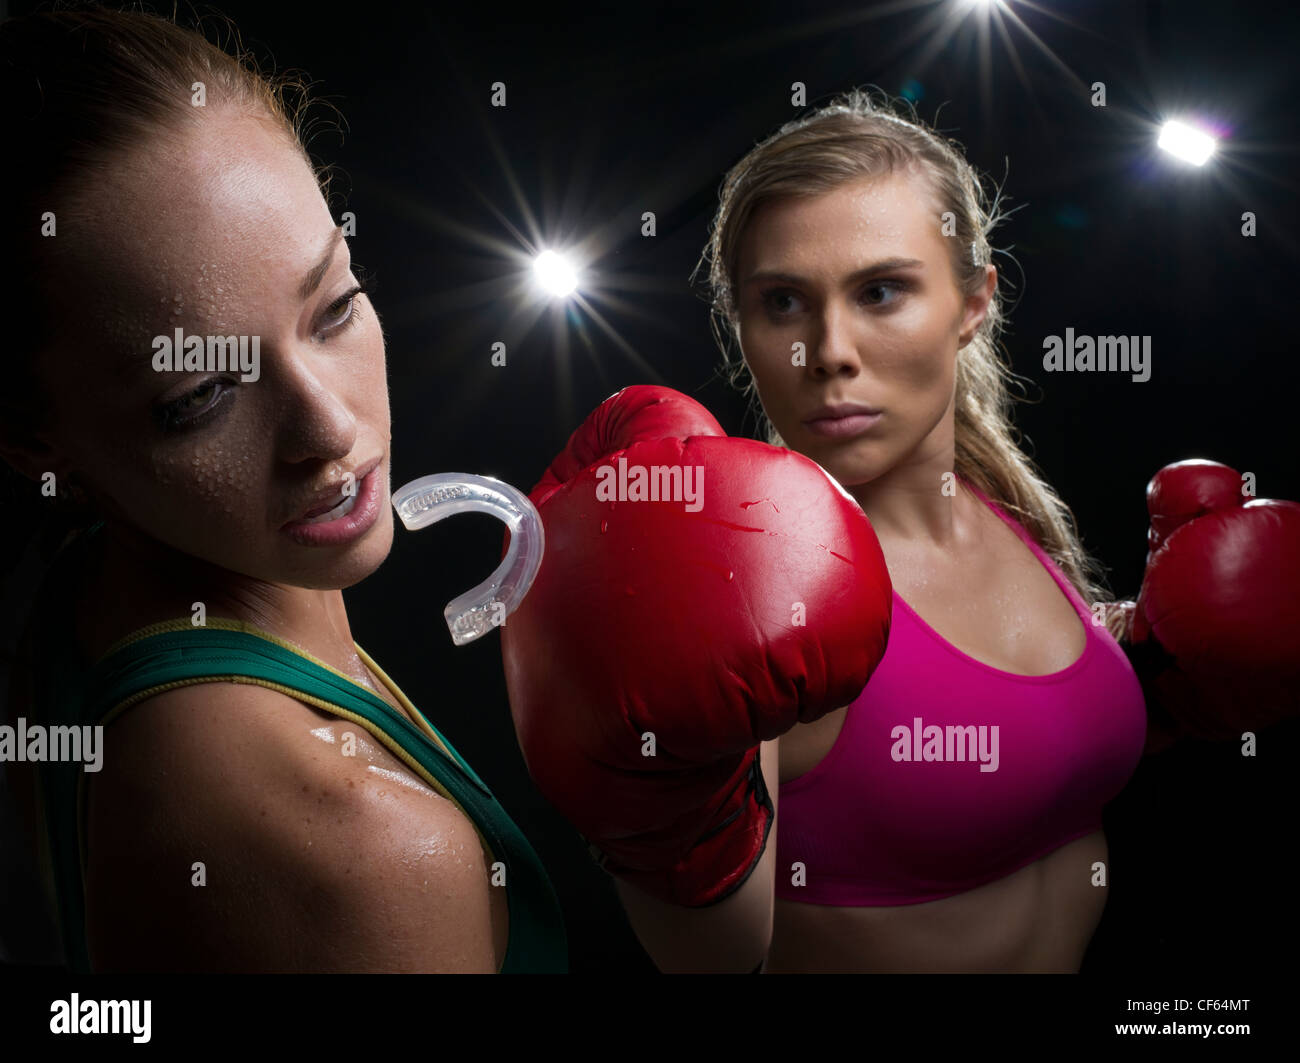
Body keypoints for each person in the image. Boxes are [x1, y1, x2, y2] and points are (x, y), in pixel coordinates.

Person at [500, 88, 1298, 972]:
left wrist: (1160, 668)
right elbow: (714, 958)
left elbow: (1011, 742)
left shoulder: (1005, 506)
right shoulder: (760, 588)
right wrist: (659, 804)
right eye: (783, 303)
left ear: (973, 302)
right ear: (742, 327)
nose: (830, 348)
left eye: (881, 290)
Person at [0, 6, 566, 973]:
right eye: (200, 396)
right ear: (34, 439)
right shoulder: (368, 857)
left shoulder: (79, 585)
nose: (330, 430)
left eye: (335, 304)